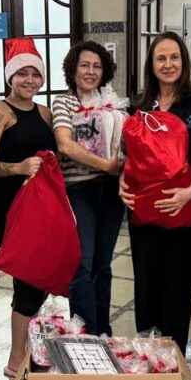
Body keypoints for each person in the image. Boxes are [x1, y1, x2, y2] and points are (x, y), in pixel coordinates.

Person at [120, 32, 191, 353]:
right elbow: (130, 154)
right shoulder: (138, 103)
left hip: (182, 207)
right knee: (147, 282)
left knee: (178, 284)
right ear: (152, 64)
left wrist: (190, 189)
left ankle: (172, 356)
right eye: (161, 58)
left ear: (183, 62)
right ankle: (148, 352)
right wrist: (122, 182)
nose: (168, 64)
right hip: (143, 209)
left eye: (174, 57)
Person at [0, 38, 58, 377]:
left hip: (42, 210)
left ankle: (26, 349)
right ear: (10, 77)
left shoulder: (44, 112)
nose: (29, 80)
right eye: (22, 74)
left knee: (38, 279)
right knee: (27, 281)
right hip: (11, 211)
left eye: (35, 74)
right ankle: (15, 360)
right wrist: (18, 168)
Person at [51, 41, 125, 336]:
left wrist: (117, 165)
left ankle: (102, 330)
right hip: (79, 190)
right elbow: (64, 144)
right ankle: (84, 333)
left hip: (111, 190)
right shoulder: (63, 102)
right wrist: (103, 164)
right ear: (73, 69)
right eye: (85, 65)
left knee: (103, 265)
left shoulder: (113, 101)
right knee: (82, 264)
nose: (91, 71)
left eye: (96, 66)